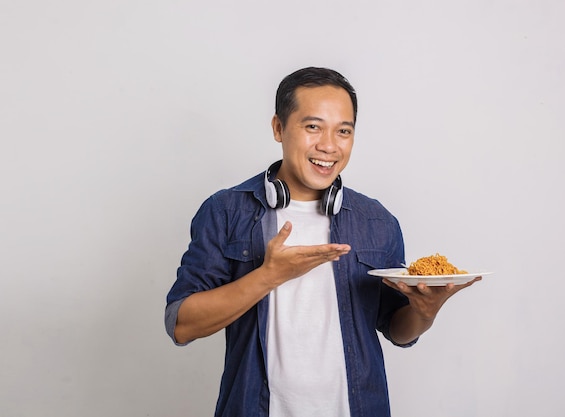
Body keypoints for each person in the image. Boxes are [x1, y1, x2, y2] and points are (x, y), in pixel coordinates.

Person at [165, 67, 480, 417]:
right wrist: (267, 276)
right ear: (279, 128)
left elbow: (398, 329)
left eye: (343, 131)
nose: (329, 145)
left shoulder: (377, 221)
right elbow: (181, 324)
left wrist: (425, 313)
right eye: (313, 126)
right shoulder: (225, 211)